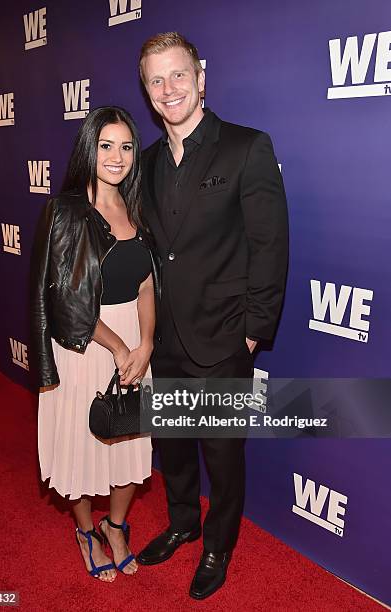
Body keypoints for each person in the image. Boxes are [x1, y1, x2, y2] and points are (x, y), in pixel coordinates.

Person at [136, 33, 289, 600]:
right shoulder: (145, 164)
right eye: (156, 80)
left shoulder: (246, 147)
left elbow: (270, 245)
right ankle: (182, 522)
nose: (169, 89)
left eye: (178, 75)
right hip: (166, 337)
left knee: (223, 454)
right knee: (173, 445)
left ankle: (219, 545)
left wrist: (254, 331)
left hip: (225, 336)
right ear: (148, 93)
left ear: (201, 78)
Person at [31, 106, 159, 582]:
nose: (117, 156)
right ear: (89, 148)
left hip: (134, 340)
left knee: (130, 446)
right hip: (86, 344)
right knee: (84, 450)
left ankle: (117, 525)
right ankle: (86, 531)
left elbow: (147, 283)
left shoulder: (136, 206)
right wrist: (118, 347)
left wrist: (145, 343)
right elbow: (65, 295)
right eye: (106, 145)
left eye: (126, 146)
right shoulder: (65, 210)